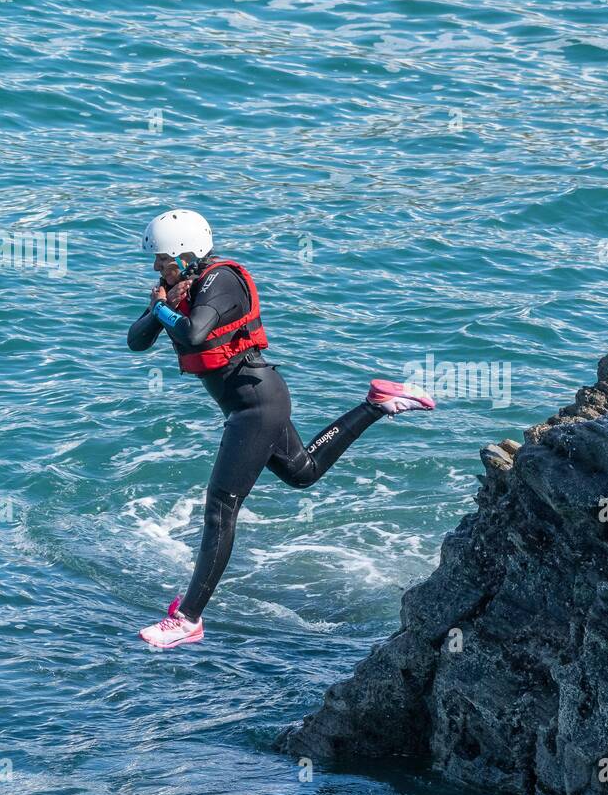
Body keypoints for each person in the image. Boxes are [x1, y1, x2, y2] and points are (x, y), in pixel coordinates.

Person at [126, 209, 435, 648]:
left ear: (185, 253)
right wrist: (160, 307)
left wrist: (162, 307)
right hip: (249, 405)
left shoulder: (221, 280)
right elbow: (135, 340)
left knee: (220, 508)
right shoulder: (180, 289)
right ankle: (376, 403)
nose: (156, 267)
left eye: (161, 259)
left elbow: (195, 335)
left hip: (257, 404)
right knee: (302, 471)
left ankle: (189, 619)